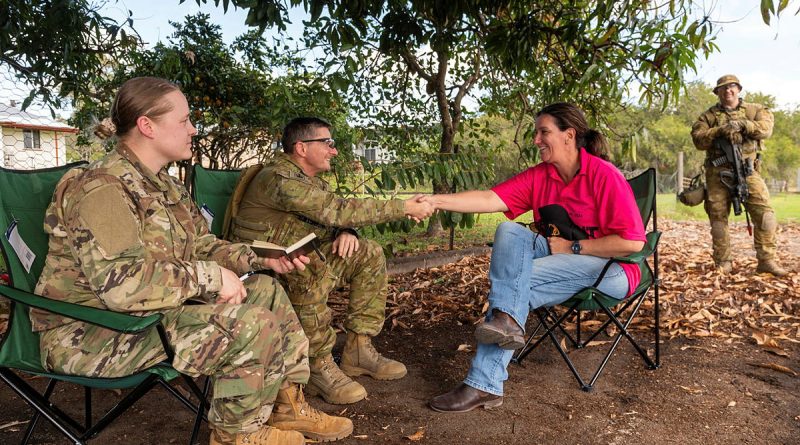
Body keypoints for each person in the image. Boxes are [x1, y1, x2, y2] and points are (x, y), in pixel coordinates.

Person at [31, 77, 352, 445]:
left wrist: (259, 258)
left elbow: (201, 245)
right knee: (248, 324)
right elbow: (122, 285)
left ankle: (284, 405)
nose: (193, 130)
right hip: (94, 333)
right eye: (184, 121)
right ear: (147, 126)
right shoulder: (101, 188)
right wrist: (211, 278)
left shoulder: (165, 186)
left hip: (149, 315)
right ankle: (236, 435)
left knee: (267, 290)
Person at [423, 102, 646, 412]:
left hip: (613, 269)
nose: (536, 140)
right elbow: (491, 198)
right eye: (535, 133)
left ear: (569, 135)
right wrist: (436, 200)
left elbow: (632, 243)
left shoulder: (602, 175)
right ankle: (506, 324)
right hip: (560, 257)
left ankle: (484, 381)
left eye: (544, 132)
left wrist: (574, 248)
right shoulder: (542, 176)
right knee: (509, 233)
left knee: (515, 284)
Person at [228, 117, 434, 404]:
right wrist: (404, 207)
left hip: (295, 258)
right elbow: (334, 209)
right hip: (264, 268)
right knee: (309, 268)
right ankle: (317, 365)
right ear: (301, 147)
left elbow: (334, 216)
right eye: (327, 143)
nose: (333, 150)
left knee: (369, 252)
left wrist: (346, 231)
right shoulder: (279, 178)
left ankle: (358, 351)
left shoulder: (307, 180)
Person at [690, 74, 787, 276]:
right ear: (718, 92)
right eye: (723, 88)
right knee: (718, 219)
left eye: (732, 87)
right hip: (717, 174)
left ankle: (766, 260)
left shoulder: (755, 110)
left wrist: (745, 125)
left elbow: (766, 129)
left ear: (739, 89)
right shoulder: (707, 116)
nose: (728, 91)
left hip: (748, 171)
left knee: (765, 215)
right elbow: (698, 140)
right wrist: (719, 131)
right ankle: (723, 262)